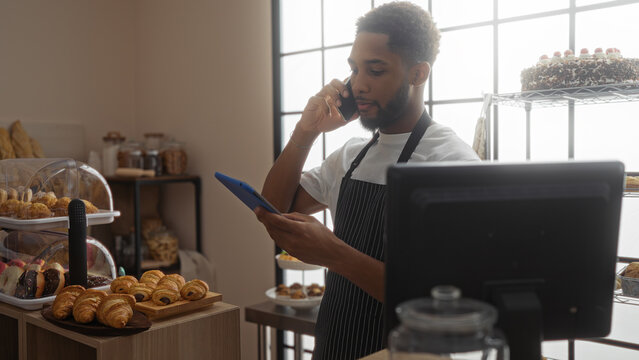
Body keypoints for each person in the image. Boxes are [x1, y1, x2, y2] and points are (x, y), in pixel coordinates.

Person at [256, 2, 479, 359]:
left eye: (375, 71)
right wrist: (305, 131)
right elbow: (272, 207)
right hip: (332, 346)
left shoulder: (451, 162)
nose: (358, 85)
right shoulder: (351, 154)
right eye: (354, 70)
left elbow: (438, 302)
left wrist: (332, 252)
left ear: (418, 74)